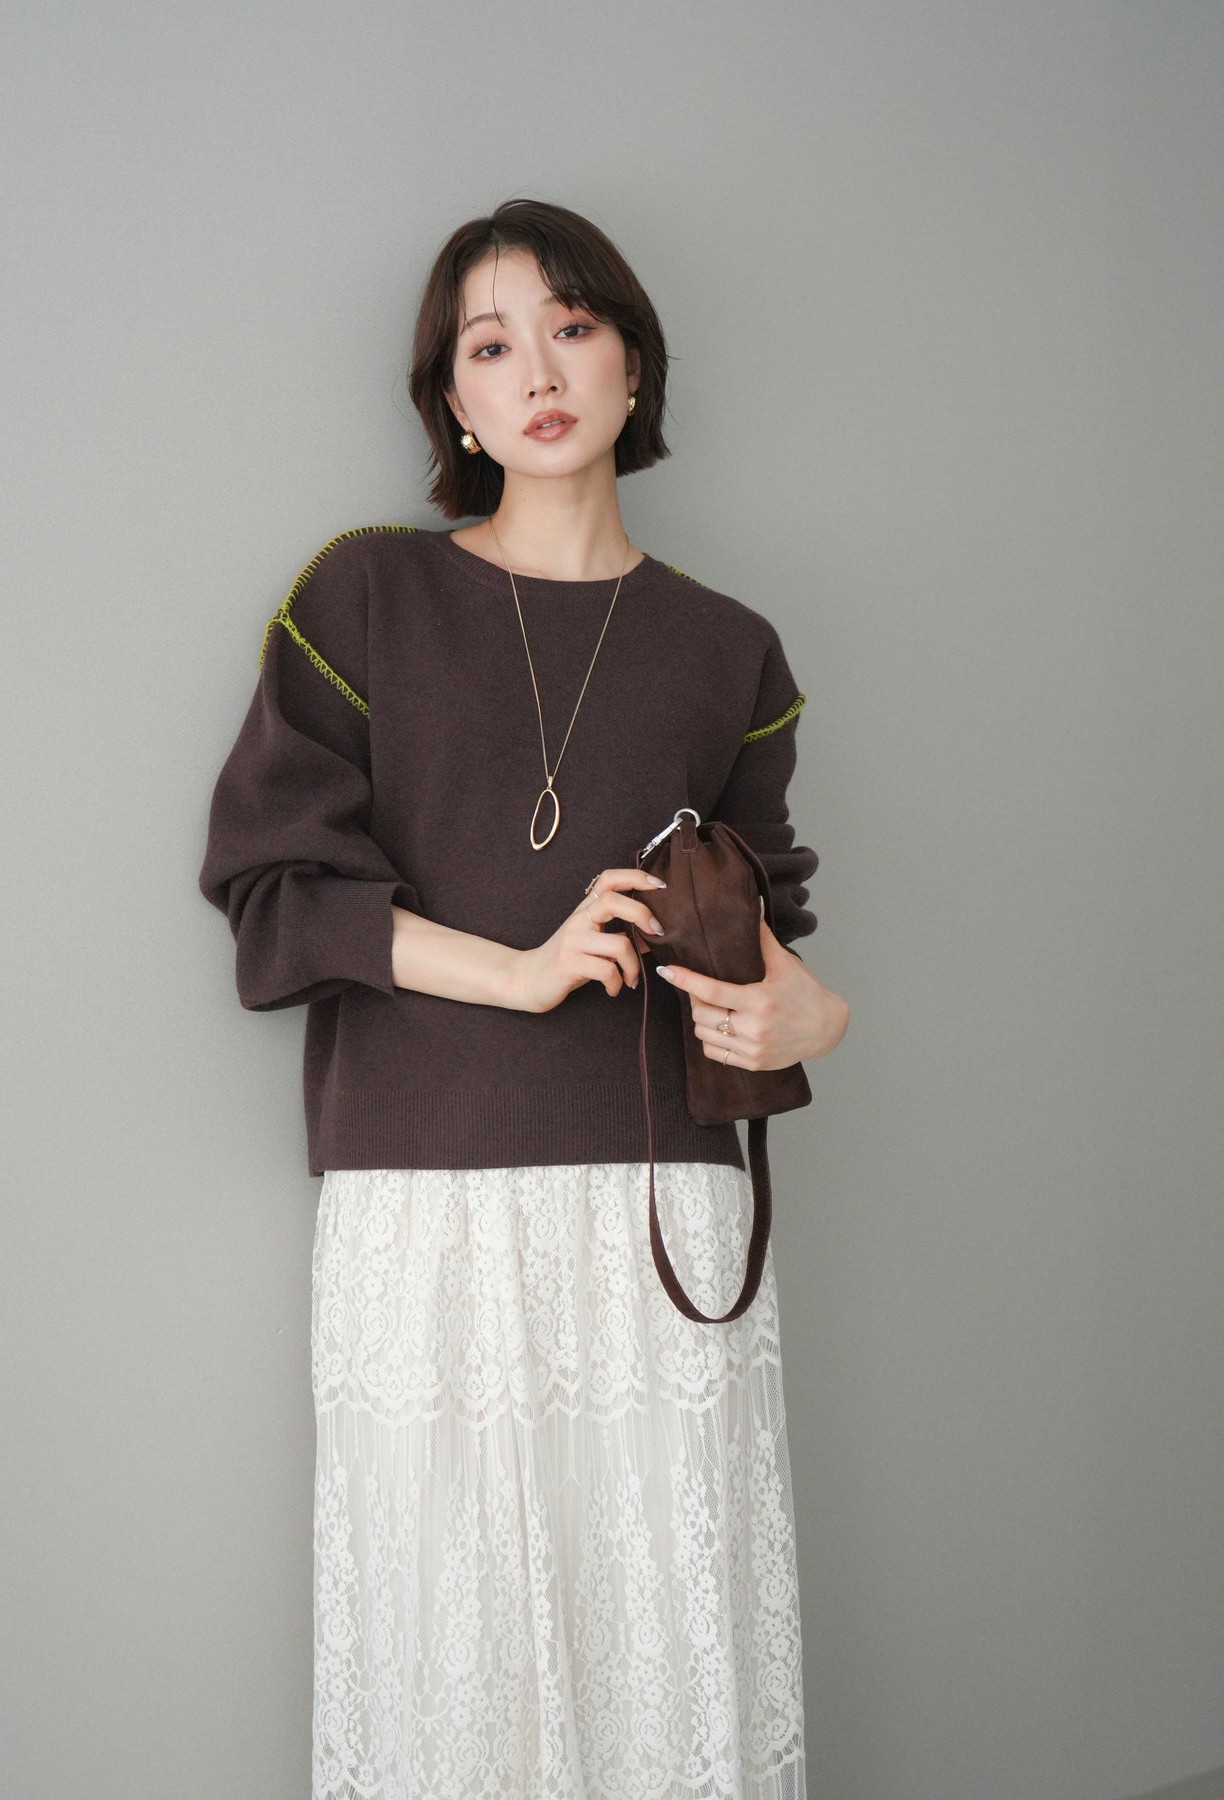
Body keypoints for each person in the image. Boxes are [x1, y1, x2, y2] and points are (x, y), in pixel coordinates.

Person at [199, 196, 849, 1799]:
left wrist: (816, 1019)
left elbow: (758, 913)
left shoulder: (729, 649)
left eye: (571, 327)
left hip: (663, 1207)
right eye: (490, 346)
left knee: (661, 1638)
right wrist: (519, 968)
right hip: (427, 1209)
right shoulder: (362, 598)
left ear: (633, 363)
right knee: (451, 1646)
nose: (538, 373)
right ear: (454, 401)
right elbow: (273, 889)